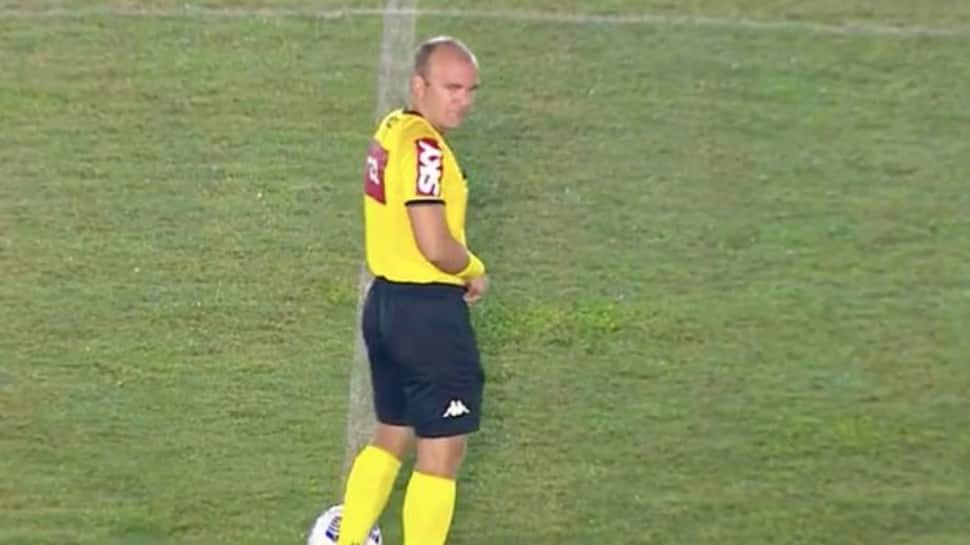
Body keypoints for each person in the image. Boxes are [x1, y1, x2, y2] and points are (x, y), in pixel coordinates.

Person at [336, 35, 488, 545]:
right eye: (451, 87)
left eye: (470, 89)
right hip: (427, 315)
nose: (462, 99)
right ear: (419, 84)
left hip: (385, 307)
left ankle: (349, 538)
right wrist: (472, 266)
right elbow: (433, 241)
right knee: (441, 455)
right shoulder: (425, 148)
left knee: (392, 434)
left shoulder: (392, 129)